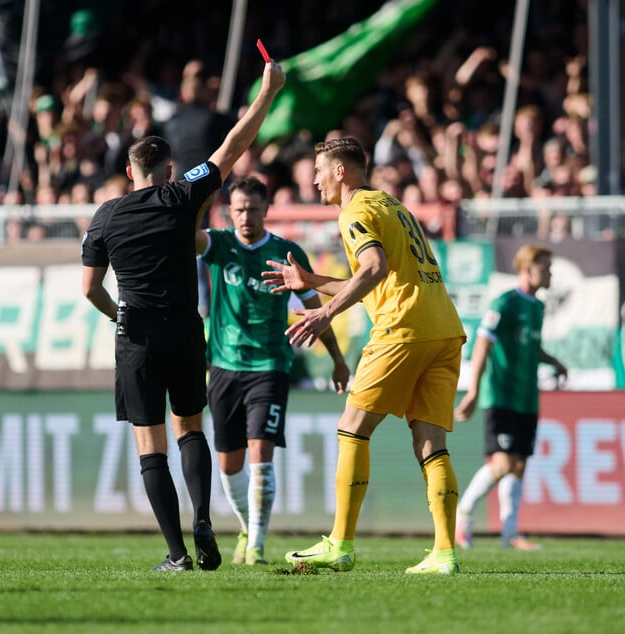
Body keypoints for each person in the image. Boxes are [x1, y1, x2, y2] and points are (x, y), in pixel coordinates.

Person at [81, 57, 286, 572]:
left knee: (150, 447)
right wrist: (267, 93)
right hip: (184, 329)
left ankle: (177, 554)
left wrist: (116, 315)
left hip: (137, 334)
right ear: (169, 170)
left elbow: (89, 289)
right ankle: (203, 519)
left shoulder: (105, 214)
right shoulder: (180, 195)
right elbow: (234, 146)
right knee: (190, 430)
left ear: (130, 172)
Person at [263, 136, 466, 574]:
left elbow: (373, 269)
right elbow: (376, 276)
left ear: (340, 171)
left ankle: (340, 543)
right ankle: (445, 553)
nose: (314, 181)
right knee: (431, 443)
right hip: (443, 329)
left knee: (352, 427)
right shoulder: (391, 204)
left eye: (319, 171)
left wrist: (324, 316)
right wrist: (313, 281)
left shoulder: (354, 210)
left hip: (402, 329)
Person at [196, 176, 350, 565]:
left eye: (253, 209)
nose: (246, 216)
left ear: (266, 210)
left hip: (270, 366)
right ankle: (248, 526)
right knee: (229, 464)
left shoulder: (287, 253)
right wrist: (196, 196)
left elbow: (315, 305)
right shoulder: (220, 244)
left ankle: (257, 545)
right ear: (230, 212)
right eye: (239, 209)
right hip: (224, 366)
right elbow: (186, 236)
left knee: (260, 455)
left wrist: (337, 358)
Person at [454, 244, 567, 550]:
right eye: (545, 267)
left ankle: (509, 532)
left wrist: (553, 361)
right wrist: (474, 389)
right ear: (527, 268)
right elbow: (482, 344)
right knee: (502, 463)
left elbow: (531, 346)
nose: (550, 272)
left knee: (518, 465)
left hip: (527, 397)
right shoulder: (504, 303)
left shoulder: (538, 307)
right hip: (502, 395)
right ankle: (461, 518)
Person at [163, 63, 235, 319]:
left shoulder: (171, 122)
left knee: (188, 241)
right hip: (212, 187)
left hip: (180, 189)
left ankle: (199, 303)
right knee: (214, 240)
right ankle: (214, 302)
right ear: (205, 91)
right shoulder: (215, 119)